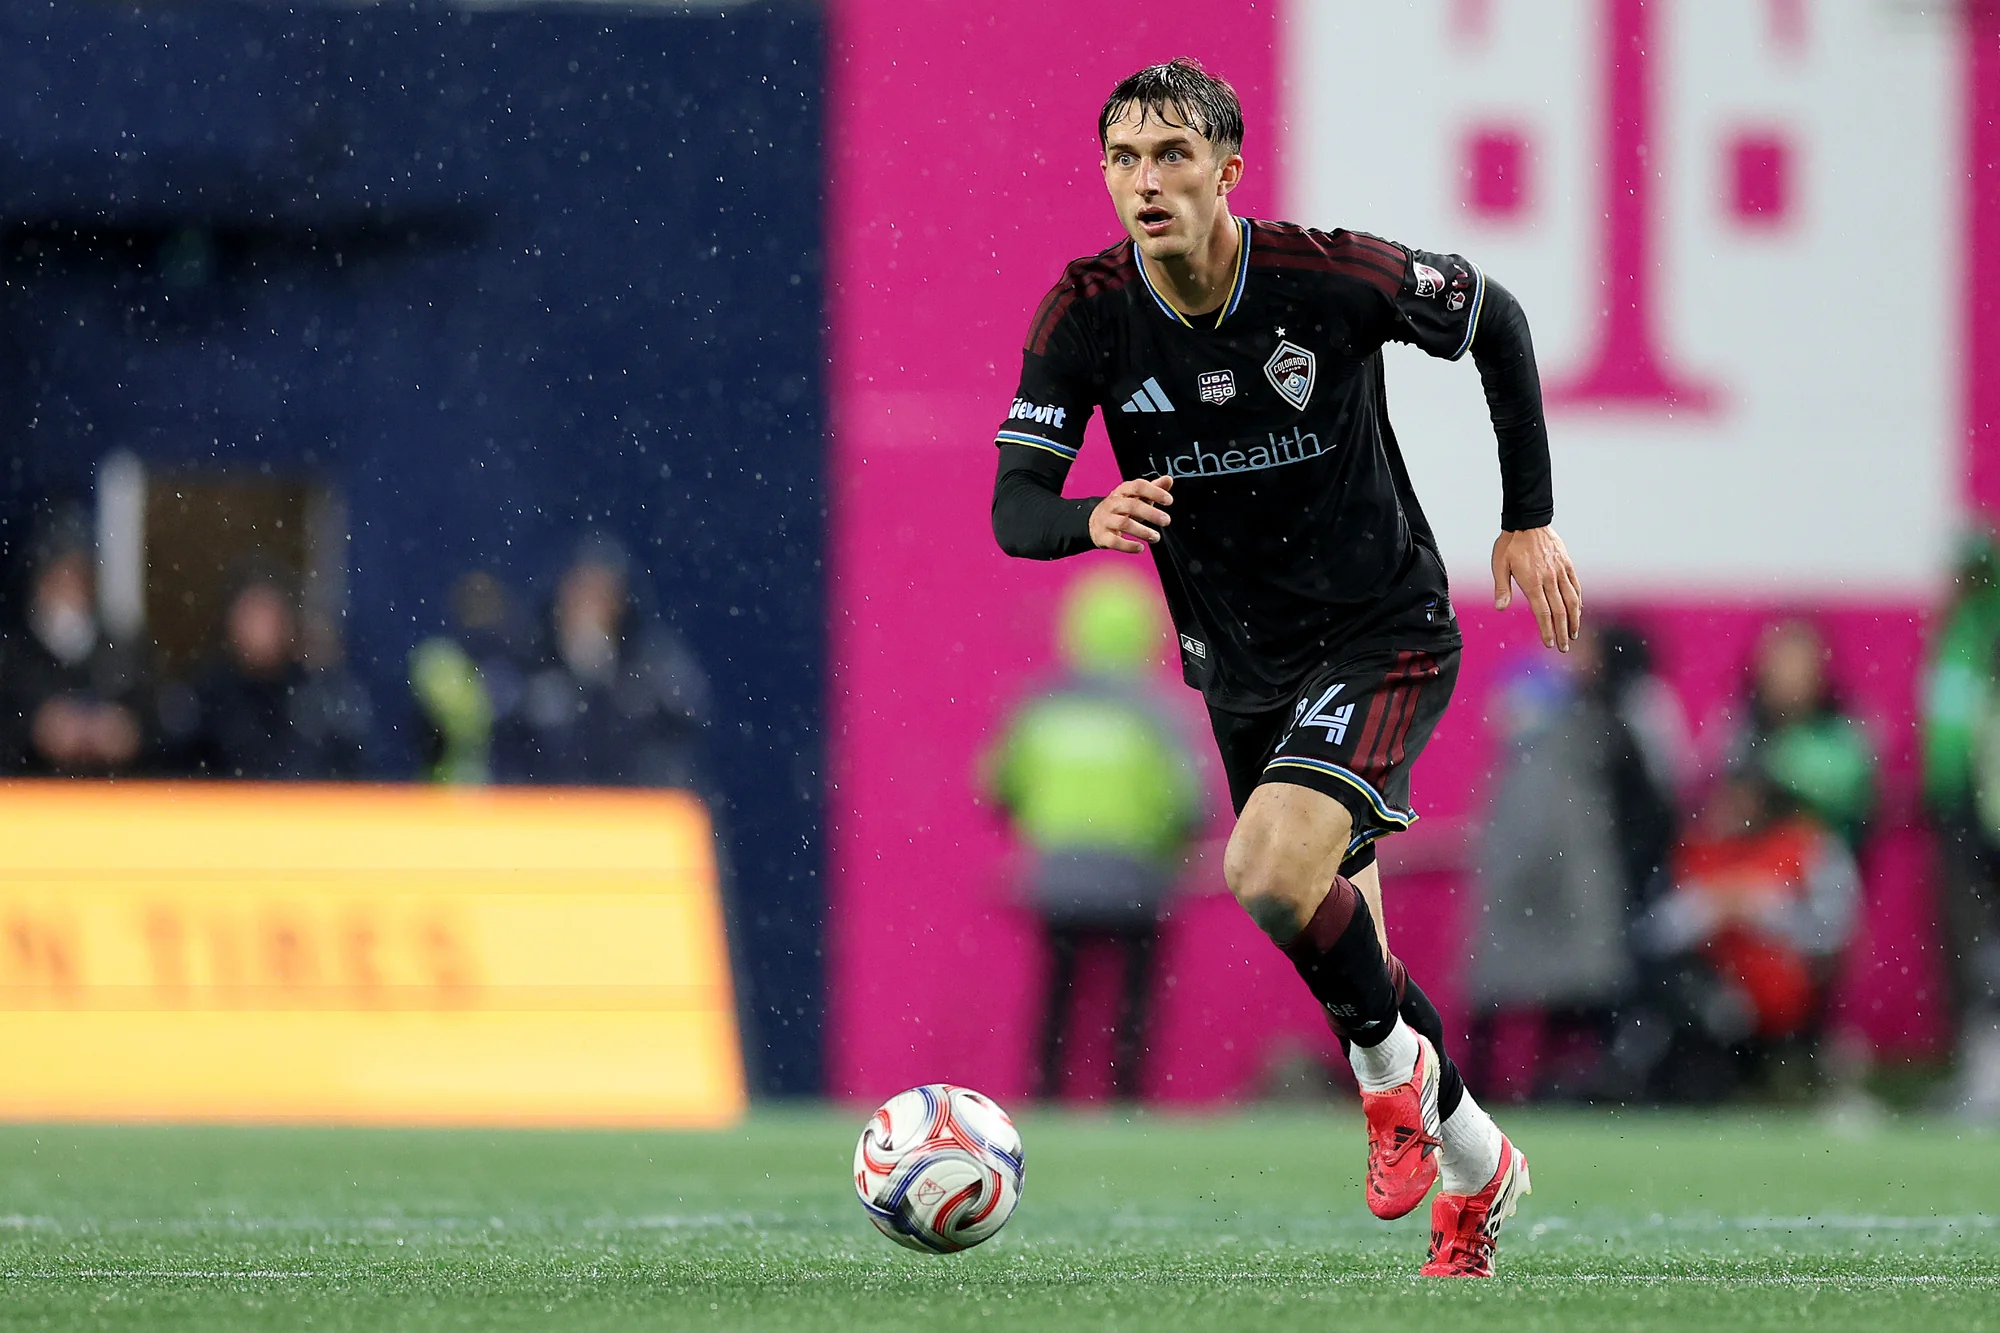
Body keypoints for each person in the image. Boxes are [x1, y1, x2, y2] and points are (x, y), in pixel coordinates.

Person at [987, 59, 1579, 1277]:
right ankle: (1472, 1162)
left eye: (1170, 157)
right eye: (1122, 160)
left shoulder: (1325, 273)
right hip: (1240, 668)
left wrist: (1527, 516)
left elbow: (1496, 321)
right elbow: (1012, 506)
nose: (1144, 182)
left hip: (1382, 632)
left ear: (1226, 169)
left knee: (1262, 871)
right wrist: (1086, 516)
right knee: (1337, 931)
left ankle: (1382, 1089)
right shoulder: (1086, 311)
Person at [980, 568, 1207, 1102]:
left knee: (1059, 991)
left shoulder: (1040, 705)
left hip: (1058, 879)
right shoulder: (1161, 713)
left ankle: (1047, 1094)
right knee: (1134, 998)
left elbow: (997, 788)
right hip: (1139, 880)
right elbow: (1192, 803)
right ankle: (1126, 1098)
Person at [1469, 623, 1680, 1101]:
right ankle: (1479, 1094)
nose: (1567, 658)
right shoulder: (1540, 712)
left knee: (1593, 993)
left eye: (1582, 646)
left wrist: (1626, 875)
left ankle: (1608, 1088)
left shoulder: (1619, 723)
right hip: (1526, 884)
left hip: (1584, 891)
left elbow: (1650, 811)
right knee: (1500, 997)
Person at [1626, 764, 1859, 1103]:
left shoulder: (1808, 849)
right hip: (1711, 995)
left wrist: (1765, 909)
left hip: (1788, 995)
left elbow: (1832, 932)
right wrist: (1706, 907)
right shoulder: (1696, 850)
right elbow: (1651, 932)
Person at [493, 535, 710, 789]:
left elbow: (684, 726)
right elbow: (502, 750)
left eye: (602, 595)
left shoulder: (652, 668)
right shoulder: (527, 665)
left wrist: (604, 679)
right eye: (580, 592)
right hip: (546, 818)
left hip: (632, 817)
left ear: (621, 604)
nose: (588, 607)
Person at [1920, 531, 2000, 1119]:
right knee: (1966, 943)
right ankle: (1981, 1072)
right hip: (1959, 807)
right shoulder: (1957, 633)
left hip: (1986, 807)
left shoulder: (1987, 630)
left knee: (1982, 942)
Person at [163, 571, 373, 779]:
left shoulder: (315, 694)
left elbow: (348, 763)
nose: (260, 629)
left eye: (268, 617)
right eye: (251, 617)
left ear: (288, 624)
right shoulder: (206, 697)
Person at [0, 512, 149, 776]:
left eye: (78, 581)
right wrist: (35, 732)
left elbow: (165, 730)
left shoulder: (122, 651)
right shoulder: (12, 656)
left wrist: (125, 733)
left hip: (111, 801)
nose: (68, 593)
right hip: (28, 802)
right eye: (57, 581)